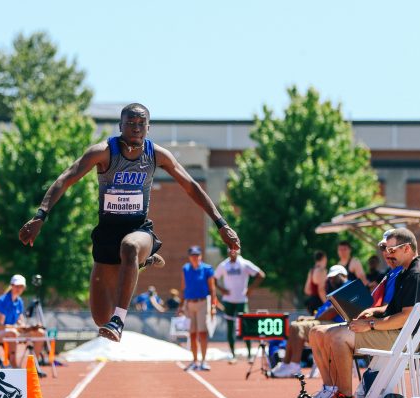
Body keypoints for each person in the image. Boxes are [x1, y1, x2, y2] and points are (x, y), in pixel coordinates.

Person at [18, 103, 240, 342]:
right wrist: (40, 215)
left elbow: (191, 186)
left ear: (148, 127)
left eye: (141, 124)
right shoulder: (104, 152)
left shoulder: (156, 154)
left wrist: (221, 223)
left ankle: (119, 318)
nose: (136, 128)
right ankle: (140, 265)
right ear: (121, 125)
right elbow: (66, 178)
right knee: (100, 318)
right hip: (106, 234)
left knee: (131, 247)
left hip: (138, 230)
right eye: (130, 123)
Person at [306, 228, 420, 398]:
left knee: (338, 337)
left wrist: (370, 325)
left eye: (392, 250)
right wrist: (373, 311)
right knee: (319, 332)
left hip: (404, 338)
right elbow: (395, 308)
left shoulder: (416, 275)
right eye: (385, 249)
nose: (387, 254)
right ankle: (333, 391)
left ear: (407, 248)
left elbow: (405, 317)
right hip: (397, 332)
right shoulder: (406, 271)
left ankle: (345, 397)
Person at [271, 265, 349, 377]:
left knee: (297, 327)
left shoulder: (346, 287)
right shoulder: (336, 291)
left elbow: (332, 312)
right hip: (326, 322)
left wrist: (314, 318)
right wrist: (309, 318)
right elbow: (325, 312)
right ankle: (286, 363)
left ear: (344, 275)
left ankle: (294, 365)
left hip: (336, 324)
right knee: (294, 324)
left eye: (334, 277)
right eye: (330, 278)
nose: (331, 280)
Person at [214, 249, 265, 364]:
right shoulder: (224, 265)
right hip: (229, 301)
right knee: (230, 327)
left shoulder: (244, 263)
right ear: (227, 252)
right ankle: (232, 354)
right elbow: (214, 279)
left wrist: (250, 289)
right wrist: (222, 290)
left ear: (238, 251)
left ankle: (249, 354)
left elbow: (260, 275)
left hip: (242, 300)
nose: (232, 253)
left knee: (245, 326)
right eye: (230, 251)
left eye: (234, 250)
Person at [0, 274, 46, 373]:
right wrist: (16, 327)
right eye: (17, 286)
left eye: (21, 286)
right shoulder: (2, 301)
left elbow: (20, 320)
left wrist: (27, 327)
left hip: (12, 332)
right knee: (13, 333)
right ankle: (14, 367)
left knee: (40, 332)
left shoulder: (19, 301)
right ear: (12, 285)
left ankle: (32, 366)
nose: (19, 288)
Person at [179, 246, 217, 371]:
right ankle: (195, 361)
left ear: (200, 255)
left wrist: (213, 306)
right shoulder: (185, 269)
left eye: (197, 255)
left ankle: (204, 361)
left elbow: (212, 289)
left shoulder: (207, 269)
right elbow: (183, 288)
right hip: (189, 304)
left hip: (202, 303)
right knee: (192, 334)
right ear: (189, 256)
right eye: (193, 255)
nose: (195, 257)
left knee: (203, 333)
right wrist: (181, 305)